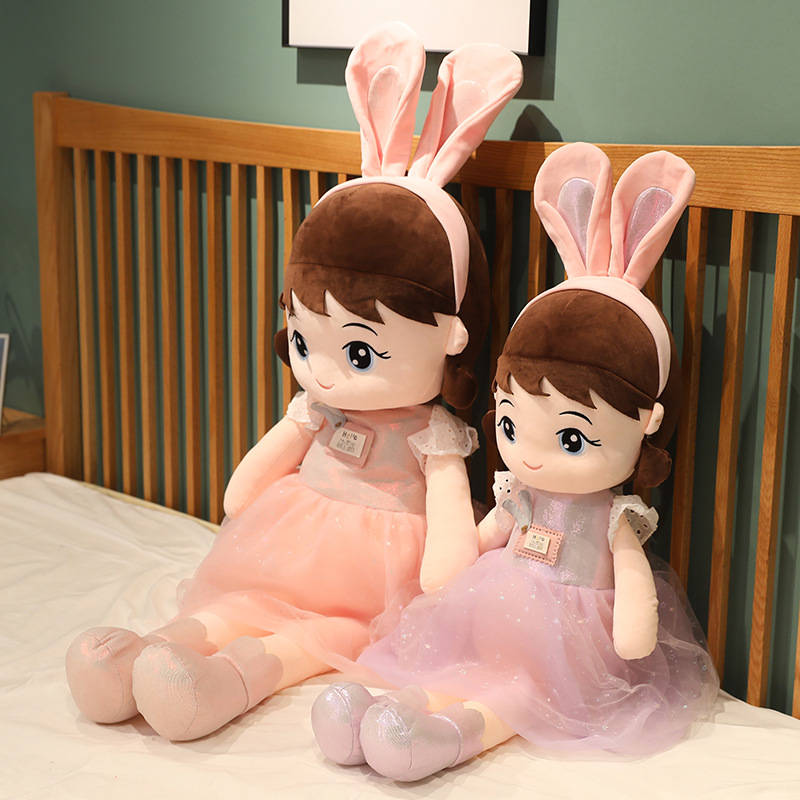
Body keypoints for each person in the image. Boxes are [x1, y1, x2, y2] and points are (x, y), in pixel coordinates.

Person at [65, 22, 522, 741]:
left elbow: (446, 540)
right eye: (306, 340)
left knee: (321, 634)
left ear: (451, 337)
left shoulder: (433, 433)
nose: (323, 370)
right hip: (287, 539)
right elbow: (245, 490)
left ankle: (223, 683)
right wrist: (247, 495)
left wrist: (443, 579)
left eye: (360, 352)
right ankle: (147, 651)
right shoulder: (311, 406)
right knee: (237, 602)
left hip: (374, 574)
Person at [311, 143, 720, 781]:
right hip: (491, 606)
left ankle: (447, 737)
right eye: (510, 423)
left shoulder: (615, 516)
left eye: (572, 438)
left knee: (522, 692)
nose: (527, 453)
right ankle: (399, 705)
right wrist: (450, 578)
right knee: (453, 663)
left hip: (570, 642)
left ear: (645, 425)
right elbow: (482, 540)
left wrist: (632, 634)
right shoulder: (517, 494)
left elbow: (634, 599)